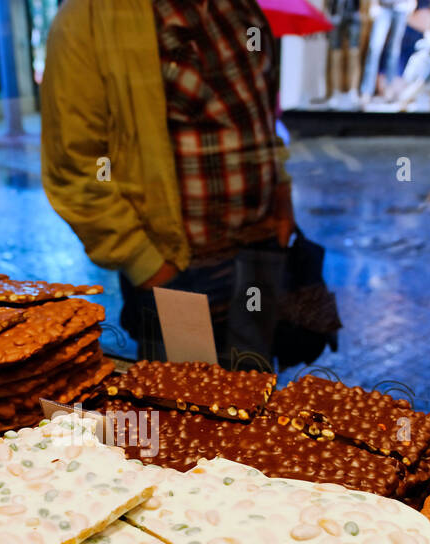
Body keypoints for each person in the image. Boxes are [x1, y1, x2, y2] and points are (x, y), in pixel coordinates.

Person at [40, 0, 295, 363]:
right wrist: (147, 266)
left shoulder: (241, 9)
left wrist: (282, 196)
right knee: (183, 412)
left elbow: (263, 113)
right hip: (177, 275)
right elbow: (74, 163)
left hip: (260, 253)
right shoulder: (90, 17)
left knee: (257, 395)